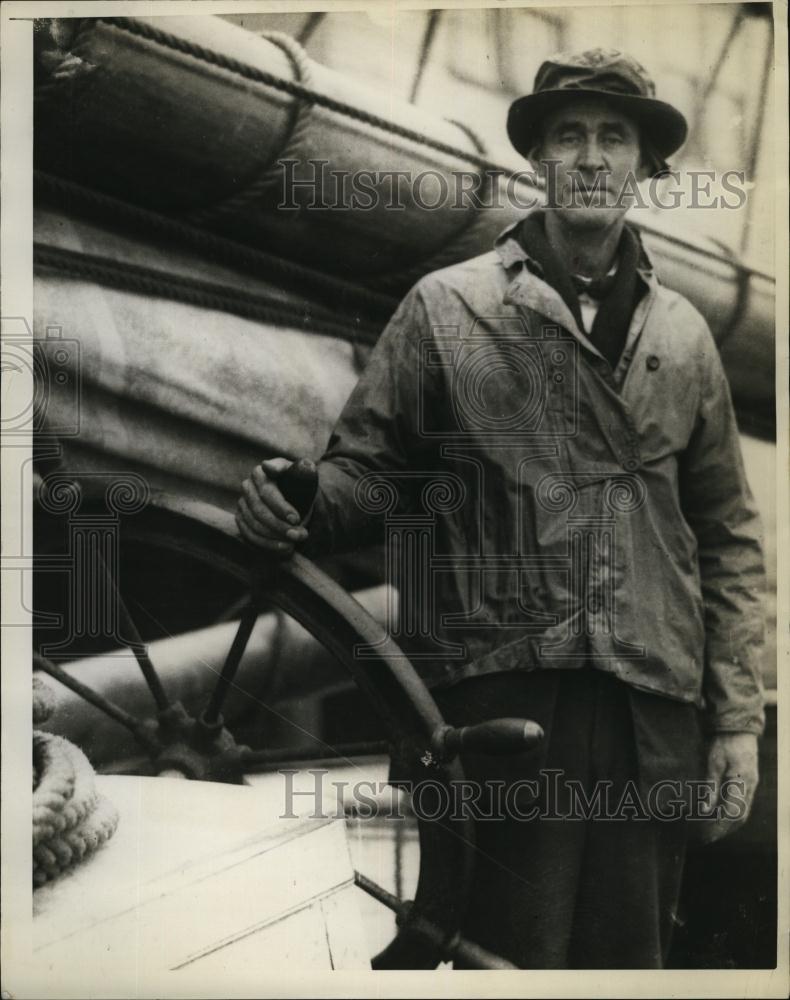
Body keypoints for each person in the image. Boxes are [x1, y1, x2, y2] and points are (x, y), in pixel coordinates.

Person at [236, 49, 766, 969]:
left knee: (628, 969)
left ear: (644, 169)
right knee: (497, 963)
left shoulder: (684, 339)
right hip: (503, 703)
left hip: (652, 715)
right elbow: (369, 477)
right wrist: (299, 501)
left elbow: (728, 542)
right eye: (570, 137)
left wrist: (738, 723)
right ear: (539, 161)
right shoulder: (449, 309)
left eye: (614, 138)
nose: (593, 158)